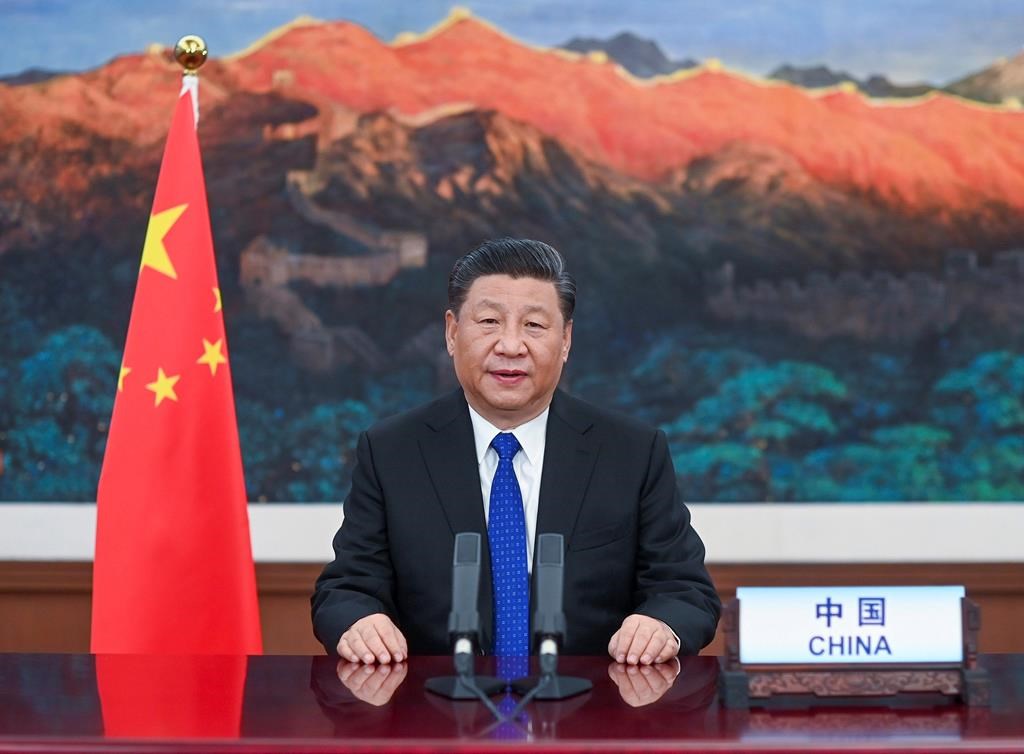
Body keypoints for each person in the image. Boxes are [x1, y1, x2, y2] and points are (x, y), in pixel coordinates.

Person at [312, 238, 720, 666]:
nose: (510, 346)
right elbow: (345, 590)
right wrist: (359, 621)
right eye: (489, 321)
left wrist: (660, 625)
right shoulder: (391, 452)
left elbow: (685, 592)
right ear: (452, 333)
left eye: (534, 326)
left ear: (565, 341)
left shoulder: (631, 453)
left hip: (589, 713)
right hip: (438, 714)